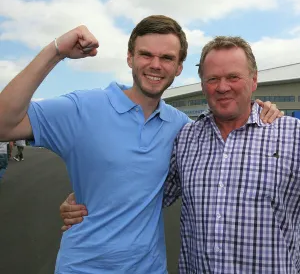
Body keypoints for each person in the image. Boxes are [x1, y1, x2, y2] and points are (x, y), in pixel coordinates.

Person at [0, 15, 280, 274]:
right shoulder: (82, 107)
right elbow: (5, 125)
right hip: (83, 267)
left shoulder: (181, 127)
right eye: (146, 54)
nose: (156, 65)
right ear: (130, 58)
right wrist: (56, 51)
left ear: (179, 67)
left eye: (167, 57)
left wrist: (262, 109)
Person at [163, 36, 300, 273]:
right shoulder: (185, 138)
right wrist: (84, 204)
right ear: (203, 84)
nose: (222, 87)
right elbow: (149, 197)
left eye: (233, 77)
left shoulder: (292, 136)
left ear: (254, 79)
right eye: (212, 79)